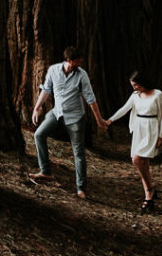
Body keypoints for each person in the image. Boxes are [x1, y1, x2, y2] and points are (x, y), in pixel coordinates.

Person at [31, 45, 107, 199]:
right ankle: (45, 171)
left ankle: (81, 187)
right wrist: (36, 108)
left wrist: (99, 119)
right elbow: (46, 90)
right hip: (57, 112)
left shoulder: (81, 75)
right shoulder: (53, 70)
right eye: (77, 61)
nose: (80, 64)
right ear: (69, 60)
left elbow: (90, 98)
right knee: (39, 135)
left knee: (78, 152)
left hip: (75, 117)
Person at [106, 71, 162, 211]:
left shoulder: (158, 94)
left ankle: (149, 190)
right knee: (143, 162)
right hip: (139, 128)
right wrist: (110, 120)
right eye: (133, 85)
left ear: (143, 82)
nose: (134, 88)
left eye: (136, 85)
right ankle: (149, 194)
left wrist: (160, 136)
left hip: (151, 129)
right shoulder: (135, 96)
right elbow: (124, 109)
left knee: (137, 160)